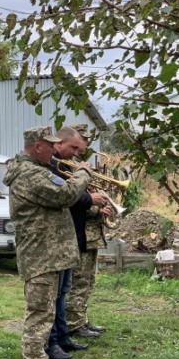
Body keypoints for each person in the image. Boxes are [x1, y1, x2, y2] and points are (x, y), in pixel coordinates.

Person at [3, 126, 92, 359]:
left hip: (47, 254)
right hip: (40, 255)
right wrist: (83, 173)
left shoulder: (35, 170)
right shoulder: (31, 174)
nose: (55, 149)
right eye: (50, 144)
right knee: (39, 313)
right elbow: (64, 194)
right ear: (37, 146)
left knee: (47, 311)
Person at [45, 127, 109, 359]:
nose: (75, 153)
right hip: (62, 236)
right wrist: (91, 199)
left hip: (73, 235)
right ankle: (56, 338)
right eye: (73, 147)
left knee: (63, 290)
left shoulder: (64, 166)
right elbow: (66, 196)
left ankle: (63, 337)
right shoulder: (53, 168)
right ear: (59, 144)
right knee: (58, 293)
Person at [66, 124, 108, 337]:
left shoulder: (78, 164)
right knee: (79, 280)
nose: (86, 143)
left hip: (90, 231)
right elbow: (72, 198)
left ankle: (82, 318)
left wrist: (102, 205)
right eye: (83, 139)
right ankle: (74, 323)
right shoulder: (68, 166)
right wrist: (95, 205)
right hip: (79, 229)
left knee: (88, 279)